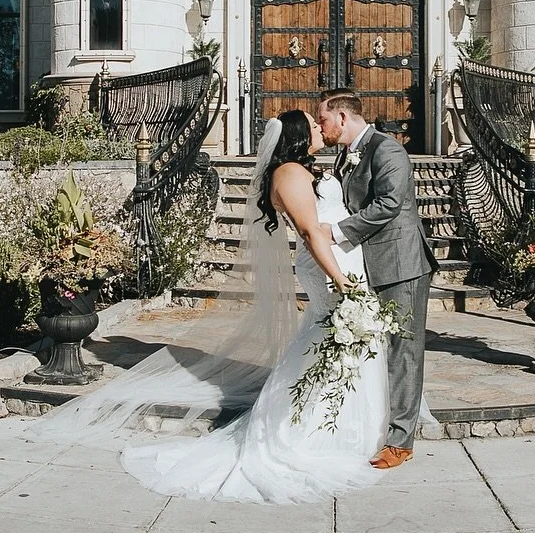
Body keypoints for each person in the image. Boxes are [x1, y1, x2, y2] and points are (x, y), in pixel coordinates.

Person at [27, 109, 389, 504]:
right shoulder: (290, 173)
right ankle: (313, 432)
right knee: (330, 340)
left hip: (338, 261)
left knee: (336, 342)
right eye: (313, 124)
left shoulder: (304, 170)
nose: (320, 127)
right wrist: (340, 280)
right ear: (299, 135)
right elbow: (308, 230)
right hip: (328, 268)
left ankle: (345, 427)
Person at [317, 88, 438, 471]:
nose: (321, 127)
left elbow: (389, 203)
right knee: (378, 348)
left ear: (342, 117)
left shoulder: (388, 150)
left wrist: (336, 232)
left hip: (401, 262)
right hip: (367, 262)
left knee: (404, 350)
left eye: (323, 119)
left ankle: (401, 442)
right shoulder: (345, 154)